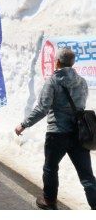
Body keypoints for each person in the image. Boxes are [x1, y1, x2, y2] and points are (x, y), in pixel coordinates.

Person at [15, 48, 96, 210]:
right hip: (78, 134)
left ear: (57, 61)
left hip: (57, 134)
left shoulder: (52, 81)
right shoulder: (82, 81)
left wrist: (24, 124)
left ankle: (49, 201)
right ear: (72, 63)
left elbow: (42, 108)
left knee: (50, 168)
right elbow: (81, 105)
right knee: (86, 175)